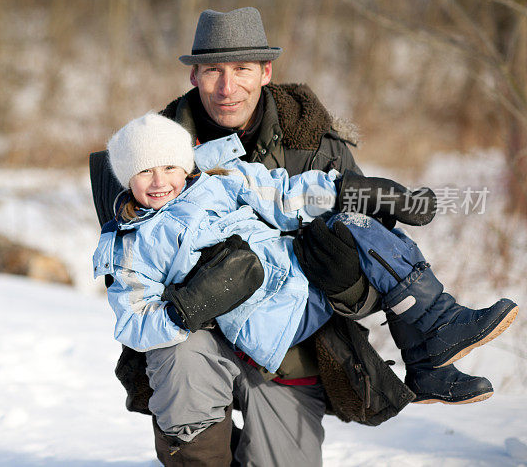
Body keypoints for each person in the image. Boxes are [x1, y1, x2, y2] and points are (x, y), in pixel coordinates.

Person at [85, 7, 499, 466]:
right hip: (195, 342)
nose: (227, 87)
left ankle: (433, 342)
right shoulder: (144, 150)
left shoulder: (312, 146)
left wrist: (346, 280)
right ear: (194, 74)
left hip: (291, 343)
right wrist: (195, 300)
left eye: (242, 69)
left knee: (355, 223)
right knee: (181, 359)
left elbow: (298, 202)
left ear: (265, 71)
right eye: (213, 71)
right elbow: (130, 298)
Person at [94, 112, 518, 412]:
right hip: (271, 322)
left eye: (169, 166)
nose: (159, 181)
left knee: (361, 225)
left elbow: (284, 195)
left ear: (185, 165)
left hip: (303, 278)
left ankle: (430, 359)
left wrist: (349, 190)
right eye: (145, 171)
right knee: (361, 238)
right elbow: (132, 321)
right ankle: (439, 330)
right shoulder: (130, 243)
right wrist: (186, 309)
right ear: (127, 177)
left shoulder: (218, 182)